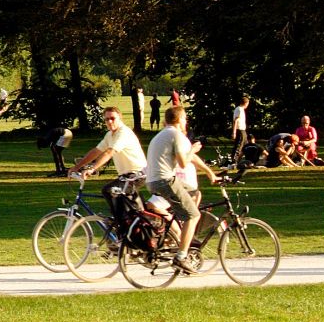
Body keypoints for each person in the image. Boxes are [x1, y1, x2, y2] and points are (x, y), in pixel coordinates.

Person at [145, 105, 217, 262]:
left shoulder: (161, 134)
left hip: (153, 181)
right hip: (165, 180)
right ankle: (182, 256)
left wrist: (209, 172)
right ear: (179, 119)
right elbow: (183, 162)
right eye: (185, 118)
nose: (186, 122)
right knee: (193, 215)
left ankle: (177, 230)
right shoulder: (177, 135)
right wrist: (193, 149)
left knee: (195, 192)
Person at [70, 106, 147, 180]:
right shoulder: (109, 135)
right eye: (107, 119)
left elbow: (109, 152)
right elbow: (96, 151)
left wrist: (92, 169)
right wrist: (77, 167)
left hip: (137, 173)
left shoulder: (123, 132)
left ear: (120, 119)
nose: (110, 121)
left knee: (108, 190)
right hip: (125, 175)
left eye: (113, 118)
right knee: (113, 191)